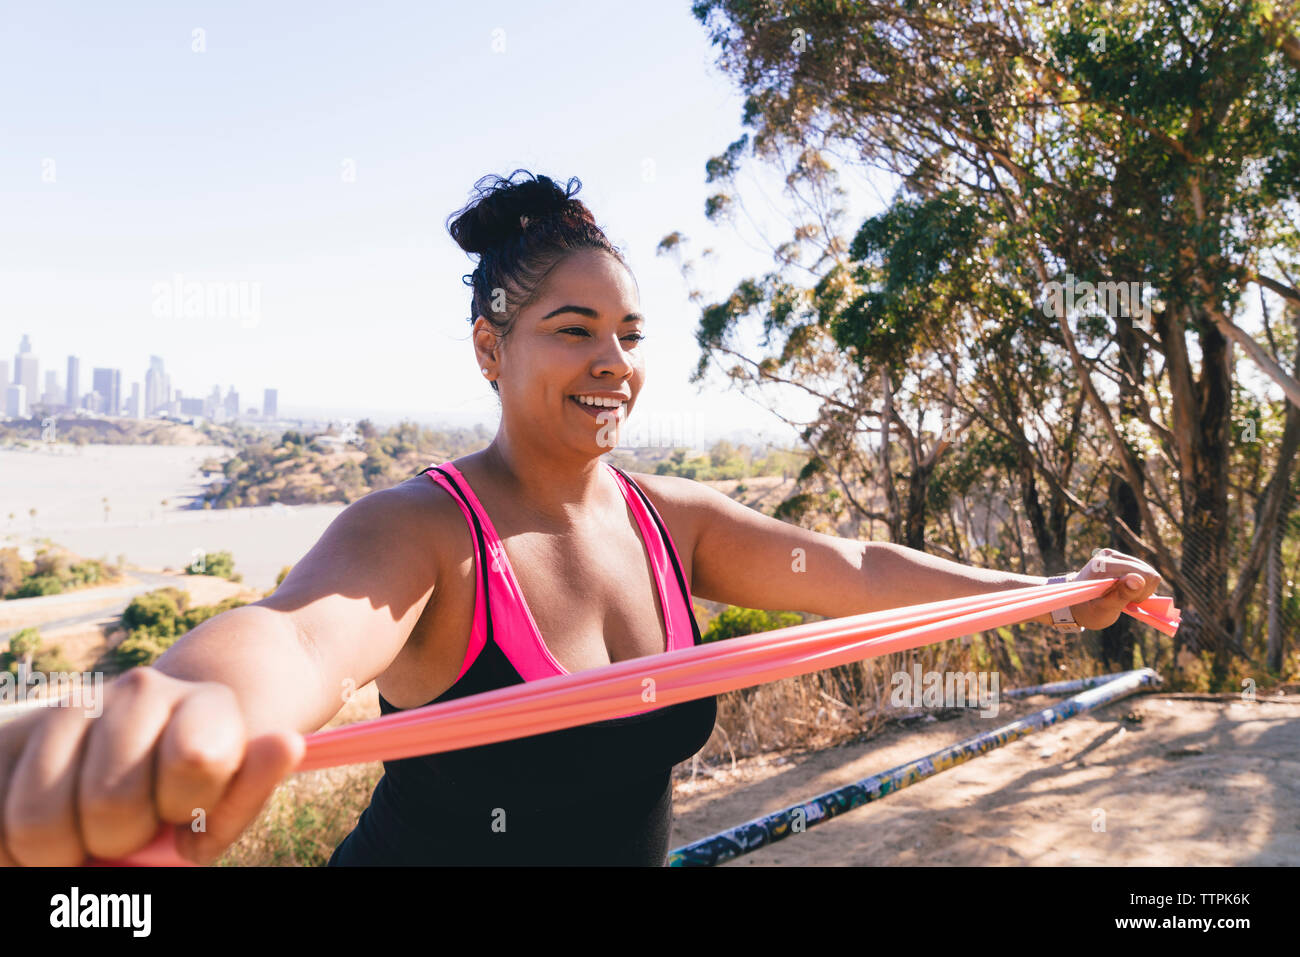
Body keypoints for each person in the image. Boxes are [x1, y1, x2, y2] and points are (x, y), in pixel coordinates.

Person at [0, 170, 1163, 867]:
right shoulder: (427, 530)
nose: (613, 362)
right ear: (489, 349)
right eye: (572, 328)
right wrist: (171, 711)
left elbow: (853, 565)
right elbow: (299, 635)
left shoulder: (674, 519)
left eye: (630, 334)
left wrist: (1047, 597)